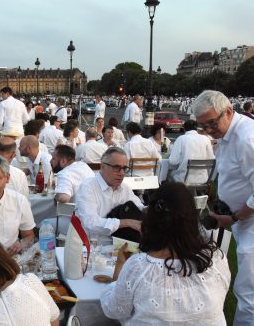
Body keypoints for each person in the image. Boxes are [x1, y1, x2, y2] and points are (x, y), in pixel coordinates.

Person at [100, 183, 230, 325]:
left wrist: (119, 268)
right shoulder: (216, 259)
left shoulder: (140, 267)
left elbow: (113, 310)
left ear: (150, 220)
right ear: (193, 218)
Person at [191, 90, 254, 324]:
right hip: (241, 218)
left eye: (211, 123)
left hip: (249, 221)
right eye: (202, 125)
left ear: (228, 111)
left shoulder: (247, 138)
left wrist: (235, 217)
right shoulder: (230, 132)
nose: (208, 130)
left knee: (248, 292)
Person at [76, 147, 144, 243]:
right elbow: (90, 222)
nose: (122, 173)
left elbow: (138, 207)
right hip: (94, 246)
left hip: (122, 244)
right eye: (116, 168)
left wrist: (150, 209)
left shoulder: (124, 187)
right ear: (102, 167)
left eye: (125, 168)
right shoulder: (88, 187)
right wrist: (127, 222)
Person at [168, 119, 214, 184]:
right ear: (197, 129)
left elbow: (173, 161)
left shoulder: (181, 139)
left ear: (184, 129)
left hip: (183, 179)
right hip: (203, 179)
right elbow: (211, 159)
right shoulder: (206, 139)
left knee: (169, 173)